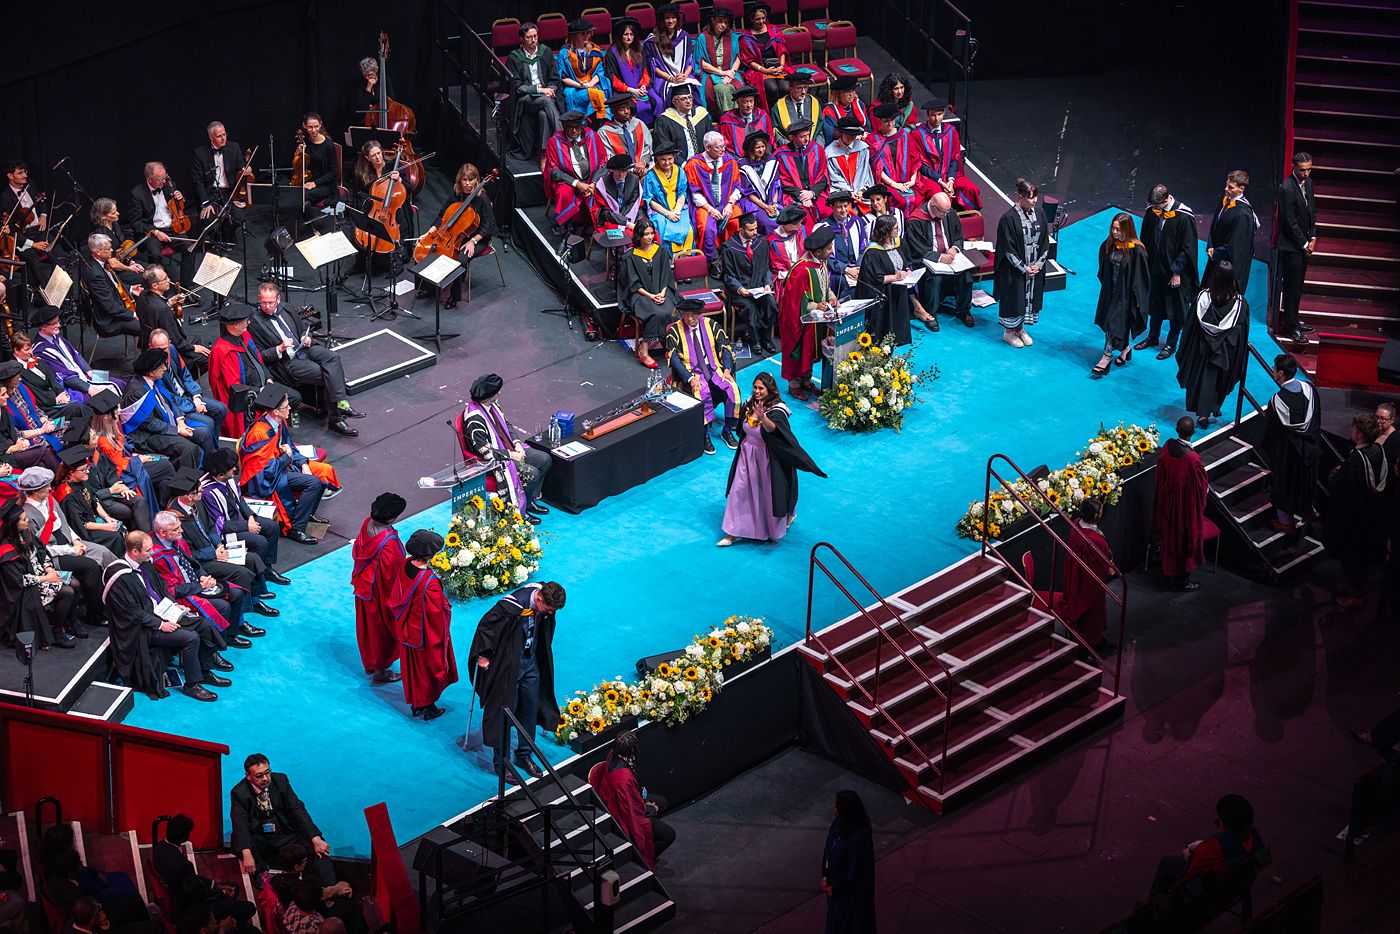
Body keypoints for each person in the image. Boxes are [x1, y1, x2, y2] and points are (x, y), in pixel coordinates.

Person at [102, 531, 219, 702]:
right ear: (135, 551)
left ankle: (204, 671)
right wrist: (159, 624)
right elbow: (131, 612)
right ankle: (192, 685)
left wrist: (173, 604)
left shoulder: (145, 563)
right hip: (141, 628)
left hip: (161, 612)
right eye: (148, 550)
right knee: (191, 637)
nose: (152, 553)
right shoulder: (119, 577)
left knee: (203, 624)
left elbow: (161, 588)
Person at [469, 581, 566, 782]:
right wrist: (484, 655)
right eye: (547, 609)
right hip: (508, 666)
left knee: (530, 709)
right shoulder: (511, 606)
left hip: (530, 663)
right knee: (503, 711)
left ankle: (524, 755)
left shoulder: (545, 601)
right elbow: (486, 627)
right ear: (539, 598)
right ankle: (501, 762)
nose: (548, 613)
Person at [720, 371, 826, 546]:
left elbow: (774, 430)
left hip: (767, 460)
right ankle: (733, 531)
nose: (757, 391)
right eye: (755, 387)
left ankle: (770, 529)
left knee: (766, 495)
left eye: (761, 388)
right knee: (738, 491)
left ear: (769, 390)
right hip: (746, 457)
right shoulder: (750, 403)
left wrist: (763, 418)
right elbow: (741, 425)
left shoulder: (777, 409)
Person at [248, 283, 363, 437]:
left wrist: (306, 337)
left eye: (271, 302)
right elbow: (260, 356)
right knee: (326, 374)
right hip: (288, 361)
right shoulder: (255, 322)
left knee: (333, 358)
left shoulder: (287, 308)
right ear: (259, 300)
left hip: (304, 348)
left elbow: (302, 328)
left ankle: (341, 402)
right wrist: (279, 349)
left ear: (278, 299)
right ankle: (336, 418)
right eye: (263, 302)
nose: (267, 306)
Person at [19, 465, 111, 636]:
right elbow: (41, 548)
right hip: (52, 554)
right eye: (46, 486)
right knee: (91, 566)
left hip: (70, 543)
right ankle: (93, 614)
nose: (49, 488)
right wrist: (70, 549)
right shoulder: (28, 514)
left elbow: (65, 524)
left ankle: (108, 602)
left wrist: (76, 541)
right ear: (35, 491)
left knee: (103, 552)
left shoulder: (50, 500)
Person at [237, 385, 333, 545]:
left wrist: (303, 464)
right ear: (275, 411)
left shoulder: (278, 422)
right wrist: (287, 457)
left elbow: (290, 446)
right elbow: (265, 470)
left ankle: (306, 513)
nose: (290, 408)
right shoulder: (259, 433)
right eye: (286, 406)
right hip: (265, 478)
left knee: (323, 472)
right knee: (313, 483)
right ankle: (296, 528)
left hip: (280, 467)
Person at [453, 373, 552, 522]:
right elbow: (485, 452)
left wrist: (517, 443)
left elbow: (507, 425)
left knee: (544, 459)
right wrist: (511, 455)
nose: (500, 392)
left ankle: (529, 500)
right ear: (489, 395)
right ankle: (519, 510)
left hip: (508, 448)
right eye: (497, 391)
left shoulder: (492, 405)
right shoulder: (474, 419)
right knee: (532, 473)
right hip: (493, 460)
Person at [229, 753, 335, 884]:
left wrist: (316, 839)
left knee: (317, 844)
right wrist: (247, 853)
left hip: (284, 833)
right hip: (260, 837)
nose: (265, 778)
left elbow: (297, 809)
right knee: (244, 845)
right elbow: (240, 823)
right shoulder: (239, 793)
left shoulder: (281, 781)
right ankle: (259, 872)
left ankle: (331, 886)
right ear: (248, 776)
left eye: (268, 773)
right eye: (259, 776)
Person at [208, 303, 303, 439]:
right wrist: (259, 391)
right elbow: (234, 387)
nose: (249, 322)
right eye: (245, 321)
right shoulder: (223, 351)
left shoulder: (245, 336)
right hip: (248, 397)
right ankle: (267, 434)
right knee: (287, 400)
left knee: (294, 396)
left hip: (264, 386)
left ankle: (274, 430)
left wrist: (268, 378)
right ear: (235, 325)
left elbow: (258, 360)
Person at [390, 529, 455, 720]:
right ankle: (427, 706)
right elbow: (436, 614)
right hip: (423, 633)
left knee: (411, 667)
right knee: (426, 669)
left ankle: (417, 703)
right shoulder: (430, 582)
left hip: (405, 627)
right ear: (431, 555)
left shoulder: (404, 564)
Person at [1175, 262, 1250, 429]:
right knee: (1217, 381)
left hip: (1202, 350)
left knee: (1202, 379)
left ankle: (1204, 413)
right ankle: (1211, 408)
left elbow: (1190, 328)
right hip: (1224, 353)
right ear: (1232, 280)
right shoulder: (1241, 304)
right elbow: (1241, 333)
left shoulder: (1202, 298)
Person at [86, 390, 173, 532]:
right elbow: (117, 468)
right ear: (107, 417)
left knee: (165, 467)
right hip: (123, 476)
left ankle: (163, 511)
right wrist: (138, 460)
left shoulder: (110, 431)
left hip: (127, 467)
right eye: (116, 410)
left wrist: (136, 459)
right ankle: (162, 512)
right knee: (165, 467)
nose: (119, 412)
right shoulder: (103, 442)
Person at [590, 729, 676, 871]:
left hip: (626, 799)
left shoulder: (613, 754)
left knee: (662, 801)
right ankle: (640, 858)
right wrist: (649, 808)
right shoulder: (624, 779)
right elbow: (632, 810)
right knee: (669, 834)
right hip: (623, 813)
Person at [1326, 413, 1388, 609]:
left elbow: (1341, 485)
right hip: (1370, 512)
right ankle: (1353, 585)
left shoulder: (1355, 460)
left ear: (1360, 434)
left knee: (1353, 555)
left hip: (1353, 517)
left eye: (1353, 429)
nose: (1350, 431)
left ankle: (1357, 595)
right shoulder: (1377, 450)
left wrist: (1336, 473)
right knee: (1358, 554)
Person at [1149, 794, 1264, 898]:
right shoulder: (1255, 838)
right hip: (1234, 885)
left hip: (1210, 893)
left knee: (1167, 862)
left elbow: (1188, 876)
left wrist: (1188, 855)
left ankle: (1151, 906)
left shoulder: (1214, 847)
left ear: (1223, 821)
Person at [153, 814, 257, 930]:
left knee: (234, 887)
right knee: (249, 908)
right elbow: (199, 895)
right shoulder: (183, 866)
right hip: (192, 908)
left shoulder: (160, 847)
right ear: (184, 838)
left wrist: (216, 886)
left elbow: (191, 879)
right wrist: (222, 892)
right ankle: (225, 928)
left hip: (182, 894)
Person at [200, 448, 286, 586]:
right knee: (260, 542)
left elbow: (239, 500)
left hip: (240, 519)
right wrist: (247, 526)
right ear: (221, 474)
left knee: (272, 526)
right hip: (227, 531)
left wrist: (250, 516)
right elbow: (220, 525)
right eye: (231, 468)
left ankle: (267, 569)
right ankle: (256, 581)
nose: (235, 468)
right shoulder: (208, 492)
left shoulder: (228, 479)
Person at [666, 298, 741, 454]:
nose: (690, 319)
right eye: (686, 315)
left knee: (732, 387)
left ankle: (727, 430)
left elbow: (725, 346)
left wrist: (727, 369)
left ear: (699, 314)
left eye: (693, 315)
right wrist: (689, 378)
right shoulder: (675, 330)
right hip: (691, 372)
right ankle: (704, 434)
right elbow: (674, 359)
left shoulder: (710, 325)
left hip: (713, 368)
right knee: (702, 392)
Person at [1133, 184, 1199, 360]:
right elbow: (1145, 237)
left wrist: (1177, 272)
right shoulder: (1152, 212)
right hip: (1155, 268)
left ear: (1166, 199)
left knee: (1176, 309)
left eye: (1157, 206)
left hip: (1175, 272)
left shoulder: (1183, 216)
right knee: (1155, 304)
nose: (1155, 209)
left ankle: (1171, 344)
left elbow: (1188, 248)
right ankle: (1152, 337)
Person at [417, 164, 496, 310]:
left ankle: (453, 297)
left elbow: (489, 226)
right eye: (464, 180)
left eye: (470, 180)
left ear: (476, 180)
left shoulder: (482, 199)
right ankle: (428, 288)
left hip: (477, 238)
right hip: (454, 235)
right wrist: (431, 231)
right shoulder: (456, 195)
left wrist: (473, 241)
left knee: (460, 260)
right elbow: (442, 216)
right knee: (428, 249)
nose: (467, 183)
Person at [1261, 353, 1320, 534]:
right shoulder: (1309, 389)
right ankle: (1308, 509)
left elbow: (1271, 433)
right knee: (1306, 482)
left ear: (1280, 373)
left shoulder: (1276, 402)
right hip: (1310, 449)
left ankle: (1286, 523)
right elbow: (1316, 419)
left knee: (1284, 487)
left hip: (1288, 455)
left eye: (1274, 369)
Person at [119, 348, 206, 471]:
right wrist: (176, 430)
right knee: (187, 448)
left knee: (202, 434)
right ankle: (182, 483)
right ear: (151, 372)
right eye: (161, 366)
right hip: (146, 436)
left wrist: (180, 421)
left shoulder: (155, 381)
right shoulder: (137, 392)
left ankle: (198, 473)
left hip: (164, 424)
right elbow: (149, 423)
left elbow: (170, 400)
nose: (165, 368)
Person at [779, 225, 838, 401]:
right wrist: (815, 306)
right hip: (799, 321)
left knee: (812, 350)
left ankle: (806, 380)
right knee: (800, 350)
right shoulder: (801, 270)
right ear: (818, 251)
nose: (831, 251)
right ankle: (795, 385)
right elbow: (795, 301)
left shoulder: (821, 262)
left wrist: (832, 297)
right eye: (828, 248)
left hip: (816, 320)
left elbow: (824, 286)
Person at [352, 492, 405, 684]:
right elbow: (395, 576)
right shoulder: (389, 544)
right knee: (382, 632)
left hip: (364, 588)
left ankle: (375, 665)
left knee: (369, 630)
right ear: (392, 518)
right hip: (380, 594)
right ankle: (380, 671)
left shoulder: (367, 523)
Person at [1152, 416, 1208, 592]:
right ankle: (1183, 581)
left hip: (1167, 501)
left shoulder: (1167, 446)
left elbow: (1160, 473)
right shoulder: (1192, 459)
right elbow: (1201, 487)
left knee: (1169, 536)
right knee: (1184, 540)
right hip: (1184, 508)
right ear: (1193, 432)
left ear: (1176, 430)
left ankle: (1166, 572)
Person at [1090, 212, 1150, 375]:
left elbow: (1142, 279)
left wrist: (1137, 300)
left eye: (1118, 229)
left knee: (1113, 324)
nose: (1115, 232)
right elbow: (1103, 267)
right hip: (1110, 293)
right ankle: (1125, 349)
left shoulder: (1137, 250)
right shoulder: (1109, 244)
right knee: (1110, 323)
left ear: (1127, 229)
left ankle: (1106, 356)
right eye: (1113, 228)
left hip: (1126, 297)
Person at [993, 178, 1050, 349]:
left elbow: (1045, 241)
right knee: (1014, 299)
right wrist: (1024, 268)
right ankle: (1009, 332)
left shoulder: (1039, 213)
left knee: (1028, 299)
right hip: (1015, 269)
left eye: (1035, 197)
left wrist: (1038, 265)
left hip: (1034, 266)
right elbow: (1007, 249)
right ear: (1020, 196)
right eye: (1030, 198)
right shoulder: (1008, 219)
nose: (1034, 201)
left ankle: (1020, 328)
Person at [616, 222, 682, 367]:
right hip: (640, 294)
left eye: (652, 233)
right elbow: (633, 283)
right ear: (639, 235)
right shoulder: (630, 256)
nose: (650, 237)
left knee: (670, 310)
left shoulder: (661, 251)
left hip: (662, 291)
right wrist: (651, 296)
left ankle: (671, 345)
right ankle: (644, 349)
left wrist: (662, 293)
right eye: (646, 234)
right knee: (654, 312)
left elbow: (667, 276)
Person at [904, 190, 971, 329]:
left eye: (947, 212)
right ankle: (931, 313)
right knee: (935, 278)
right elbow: (917, 249)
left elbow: (959, 236)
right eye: (943, 212)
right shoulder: (916, 220)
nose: (946, 215)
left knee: (966, 274)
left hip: (951, 258)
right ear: (933, 206)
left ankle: (964, 311)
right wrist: (940, 257)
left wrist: (954, 248)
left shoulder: (948, 212)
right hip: (928, 261)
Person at [0, 498, 61, 650]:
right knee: (68, 591)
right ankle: (52, 634)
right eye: (24, 520)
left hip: (41, 574)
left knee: (75, 585)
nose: (27, 522)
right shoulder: (6, 550)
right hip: (25, 585)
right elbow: (18, 581)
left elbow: (42, 552)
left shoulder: (26, 534)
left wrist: (48, 568)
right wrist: (45, 578)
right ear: (14, 524)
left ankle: (61, 628)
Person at [1063, 498, 1119, 657]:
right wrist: (1110, 570)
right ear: (1095, 515)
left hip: (1076, 576)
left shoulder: (1076, 525)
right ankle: (1091, 645)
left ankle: (1090, 641)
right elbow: (1103, 566)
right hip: (1089, 582)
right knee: (1093, 613)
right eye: (1100, 511)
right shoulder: (1094, 540)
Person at [33, 307, 124, 403]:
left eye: (58, 321)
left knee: (118, 382)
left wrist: (89, 371)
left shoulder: (55, 336)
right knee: (101, 397)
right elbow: (64, 376)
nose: (59, 325)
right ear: (43, 327)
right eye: (54, 323)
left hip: (83, 373)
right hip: (72, 385)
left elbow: (76, 354)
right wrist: (89, 388)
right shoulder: (41, 351)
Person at [148, 330, 225, 442]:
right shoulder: (150, 366)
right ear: (150, 347)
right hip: (175, 406)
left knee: (221, 409)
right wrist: (194, 406)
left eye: (165, 349)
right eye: (158, 349)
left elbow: (186, 375)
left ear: (169, 343)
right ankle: (208, 449)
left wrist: (196, 397)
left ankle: (213, 444)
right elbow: (167, 397)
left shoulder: (173, 350)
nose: (163, 353)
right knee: (208, 423)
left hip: (187, 396)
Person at [127, 162, 196, 287]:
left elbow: (178, 207)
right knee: (154, 255)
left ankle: (187, 286)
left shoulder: (170, 185)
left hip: (172, 228)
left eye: (165, 177)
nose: (164, 181)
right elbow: (135, 223)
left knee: (190, 248)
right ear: (149, 179)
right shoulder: (137, 194)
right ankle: (157, 287)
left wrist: (181, 199)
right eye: (160, 179)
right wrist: (155, 231)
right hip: (152, 232)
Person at [683, 131, 743, 269]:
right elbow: (694, 192)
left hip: (727, 203)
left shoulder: (730, 162)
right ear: (707, 148)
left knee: (735, 221)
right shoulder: (694, 164)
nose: (722, 150)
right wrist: (710, 209)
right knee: (705, 227)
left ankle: (732, 259)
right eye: (718, 148)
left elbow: (738, 187)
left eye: (723, 146)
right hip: (705, 205)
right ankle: (712, 261)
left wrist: (729, 204)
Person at [722, 212, 780, 353]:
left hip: (760, 288)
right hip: (741, 290)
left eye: (756, 228)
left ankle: (766, 338)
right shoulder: (729, 247)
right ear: (741, 230)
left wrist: (767, 284)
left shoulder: (761, 242)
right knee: (750, 308)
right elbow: (728, 275)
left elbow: (766, 267)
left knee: (771, 303)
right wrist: (740, 289)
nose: (755, 232)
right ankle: (754, 341)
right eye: (751, 230)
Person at [1276, 152, 1318, 345]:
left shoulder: (1308, 183)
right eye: (1302, 170)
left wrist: (1313, 237)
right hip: (1292, 246)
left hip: (1304, 244)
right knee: (1291, 287)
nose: (1306, 173)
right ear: (1293, 167)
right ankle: (1290, 326)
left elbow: (1312, 213)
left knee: (1298, 285)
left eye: (1309, 169)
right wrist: (1304, 243)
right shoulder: (1286, 188)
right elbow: (1289, 222)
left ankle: (1294, 319)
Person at [821, 790, 876, 934]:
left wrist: (836, 889)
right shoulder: (837, 824)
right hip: (834, 889)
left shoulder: (859, 836)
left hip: (848, 896)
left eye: (837, 805)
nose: (833, 806)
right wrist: (824, 875)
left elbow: (856, 872)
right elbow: (829, 850)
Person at [506, 22, 562, 161]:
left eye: (535, 36)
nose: (533, 40)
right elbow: (517, 86)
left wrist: (551, 90)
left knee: (544, 114)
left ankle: (544, 154)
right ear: (522, 39)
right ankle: (562, 140)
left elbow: (554, 79)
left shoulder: (546, 52)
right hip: (526, 99)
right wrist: (540, 90)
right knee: (546, 101)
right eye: (529, 37)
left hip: (546, 96)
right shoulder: (514, 57)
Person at [57, 444, 127, 555]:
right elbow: (80, 523)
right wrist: (105, 526)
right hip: (83, 531)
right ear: (71, 472)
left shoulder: (82, 480)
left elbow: (95, 499)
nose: (88, 471)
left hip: (93, 519)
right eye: (83, 469)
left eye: (88, 467)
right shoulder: (67, 494)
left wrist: (107, 517)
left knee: (120, 528)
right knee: (115, 536)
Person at [857, 215, 915, 345]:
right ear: (886, 231)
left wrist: (907, 270)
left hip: (898, 290)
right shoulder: (872, 252)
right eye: (895, 228)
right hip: (883, 295)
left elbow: (906, 261)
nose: (898, 230)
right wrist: (895, 277)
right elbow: (872, 279)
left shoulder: (899, 242)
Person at [543, 111, 607, 230]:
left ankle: (596, 223)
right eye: (570, 127)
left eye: (577, 127)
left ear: (582, 125)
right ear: (564, 127)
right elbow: (554, 170)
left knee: (606, 190)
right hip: (569, 181)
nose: (573, 131)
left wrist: (593, 183)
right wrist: (577, 184)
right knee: (563, 193)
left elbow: (603, 163)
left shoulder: (592, 137)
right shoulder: (555, 142)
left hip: (592, 179)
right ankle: (568, 226)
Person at [914, 97, 980, 211]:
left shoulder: (951, 132)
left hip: (949, 174)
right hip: (929, 177)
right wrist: (940, 180)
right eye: (933, 115)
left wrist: (950, 180)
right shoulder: (918, 134)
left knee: (970, 189)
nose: (936, 118)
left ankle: (967, 218)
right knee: (940, 197)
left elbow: (955, 159)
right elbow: (920, 165)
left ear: (944, 113)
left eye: (939, 114)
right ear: (927, 115)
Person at [1203, 169, 1259, 295]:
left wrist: (1216, 254)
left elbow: (1235, 244)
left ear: (1241, 189)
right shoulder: (1225, 201)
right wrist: (1210, 245)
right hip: (1216, 259)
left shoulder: (1243, 214)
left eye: (1230, 187)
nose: (1226, 189)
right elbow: (1214, 225)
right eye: (1226, 185)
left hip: (1228, 266)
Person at [78, 233, 142, 339]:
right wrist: (133, 315)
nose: (112, 250)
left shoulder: (98, 261)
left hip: (115, 307)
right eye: (108, 249)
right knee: (148, 327)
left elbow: (110, 284)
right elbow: (110, 307)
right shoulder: (95, 275)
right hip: (109, 321)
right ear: (98, 252)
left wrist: (130, 289)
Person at [136, 266, 206, 362]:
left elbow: (154, 312)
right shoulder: (163, 310)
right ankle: (183, 374)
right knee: (207, 359)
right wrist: (193, 348)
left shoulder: (143, 295)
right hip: (166, 350)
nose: (169, 280)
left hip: (148, 341)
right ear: (155, 285)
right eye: (165, 279)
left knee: (196, 339)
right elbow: (176, 341)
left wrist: (169, 302)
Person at [605, 18, 660, 126]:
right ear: (620, 35)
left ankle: (655, 129)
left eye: (632, 34)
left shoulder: (638, 49)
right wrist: (631, 90)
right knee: (634, 106)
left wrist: (643, 85)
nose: (629, 37)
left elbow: (645, 71)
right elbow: (612, 78)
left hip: (641, 87)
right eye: (626, 34)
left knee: (658, 102)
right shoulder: (612, 54)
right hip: (623, 90)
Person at [642, 145, 695, 254]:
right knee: (662, 228)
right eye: (663, 160)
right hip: (659, 211)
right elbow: (650, 200)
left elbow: (682, 193)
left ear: (674, 157)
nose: (667, 162)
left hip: (678, 209)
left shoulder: (680, 172)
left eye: (670, 159)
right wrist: (667, 214)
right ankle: (668, 260)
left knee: (689, 230)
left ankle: (686, 260)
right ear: (657, 159)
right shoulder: (650, 176)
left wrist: (676, 211)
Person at [775, 119, 830, 225]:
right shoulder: (781, 154)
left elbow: (823, 175)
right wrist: (802, 195)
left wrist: (812, 193)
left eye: (808, 135)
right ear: (792, 137)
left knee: (828, 212)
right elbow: (782, 181)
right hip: (793, 195)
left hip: (816, 193)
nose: (807, 139)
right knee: (803, 217)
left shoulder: (817, 149)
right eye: (802, 136)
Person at [868, 105, 921, 213]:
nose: (890, 123)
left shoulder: (905, 135)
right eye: (886, 121)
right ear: (880, 121)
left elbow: (915, 159)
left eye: (892, 120)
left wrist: (912, 180)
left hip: (908, 180)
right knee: (900, 200)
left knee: (919, 198)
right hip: (887, 182)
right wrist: (894, 184)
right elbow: (876, 169)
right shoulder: (873, 139)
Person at [642, 3, 698, 105]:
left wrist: (684, 76)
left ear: (677, 19)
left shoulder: (685, 37)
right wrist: (671, 78)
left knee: (691, 91)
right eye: (667, 18)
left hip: (683, 75)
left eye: (673, 17)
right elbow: (653, 67)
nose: (670, 21)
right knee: (670, 93)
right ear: (662, 20)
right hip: (663, 78)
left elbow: (690, 62)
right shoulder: (653, 41)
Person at [590, 153, 644, 258]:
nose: (620, 174)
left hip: (629, 215)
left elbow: (634, 204)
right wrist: (625, 223)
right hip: (609, 219)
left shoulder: (634, 180)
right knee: (626, 235)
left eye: (624, 171)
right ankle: (621, 260)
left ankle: (644, 259)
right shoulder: (603, 184)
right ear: (611, 170)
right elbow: (605, 211)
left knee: (647, 231)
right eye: (617, 171)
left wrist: (629, 221)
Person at [694, 8, 746, 114]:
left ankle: (740, 117)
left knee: (739, 88)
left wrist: (731, 73)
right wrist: (722, 73)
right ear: (713, 20)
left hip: (730, 72)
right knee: (723, 90)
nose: (723, 25)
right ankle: (729, 118)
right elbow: (701, 62)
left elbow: (738, 58)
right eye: (720, 21)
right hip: (710, 74)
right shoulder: (703, 38)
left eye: (726, 22)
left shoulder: (733, 37)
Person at [555, 19, 608, 121]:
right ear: (574, 35)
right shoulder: (565, 53)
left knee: (600, 92)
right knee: (597, 94)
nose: (587, 35)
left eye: (588, 33)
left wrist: (591, 84)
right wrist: (580, 85)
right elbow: (563, 77)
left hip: (592, 85)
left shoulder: (594, 50)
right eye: (583, 33)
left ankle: (599, 126)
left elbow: (600, 72)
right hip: (574, 88)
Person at [652, 85, 712, 166]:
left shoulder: (701, 114)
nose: (688, 101)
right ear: (674, 102)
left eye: (690, 97)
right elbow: (664, 147)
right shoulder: (664, 120)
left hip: (704, 162)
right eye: (683, 99)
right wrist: (684, 165)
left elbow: (710, 139)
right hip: (679, 166)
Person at [825, 117, 875, 214]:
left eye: (854, 134)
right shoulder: (830, 152)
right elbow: (834, 177)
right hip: (840, 192)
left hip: (861, 192)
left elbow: (865, 173)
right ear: (841, 132)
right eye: (848, 134)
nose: (851, 137)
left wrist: (861, 191)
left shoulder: (862, 148)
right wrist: (849, 193)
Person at [820, 192, 864, 302]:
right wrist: (847, 269)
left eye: (845, 206)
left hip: (857, 268)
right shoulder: (824, 227)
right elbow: (827, 257)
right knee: (844, 283)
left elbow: (863, 248)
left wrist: (858, 268)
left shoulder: (857, 222)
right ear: (832, 207)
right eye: (839, 207)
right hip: (837, 272)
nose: (843, 210)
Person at [596, 94, 653, 178]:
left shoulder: (638, 124)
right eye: (621, 109)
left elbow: (648, 147)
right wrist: (633, 169)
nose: (626, 112)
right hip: (621, 174)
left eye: (628, 108)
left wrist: (643, 162)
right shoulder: (604, 132)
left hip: (644, 168)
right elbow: (610, 157)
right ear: (613, 111)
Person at [738, 131, 783, 235]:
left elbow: (776, 185)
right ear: (751, 148)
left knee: (783, 219)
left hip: (772, 201)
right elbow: (749, 194)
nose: (761, 150)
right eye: (758, 147)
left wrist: (774, 204)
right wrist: (766, 207)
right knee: (767, 223)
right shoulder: (743, 165)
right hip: (755, 203)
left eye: (763, 146)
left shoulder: (771, 160)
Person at [718, 85, 773, 158]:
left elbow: (770, 139)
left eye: (751, 101)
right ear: (738, 102)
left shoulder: (763, 116)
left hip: (762, 157)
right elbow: (727, 146)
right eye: (745, 102)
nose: (749, 105)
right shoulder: (727, 121)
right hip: (738, 160)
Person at [770, 72, 819, 147]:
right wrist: (792, 147)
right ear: (790, 87)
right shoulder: (779, 107)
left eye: (805, 87)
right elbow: (777, 133)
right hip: (789, 150)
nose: (803, 92)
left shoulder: (814, 103)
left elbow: (819, 130)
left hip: (813, 148)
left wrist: (817, 148)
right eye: (799, 88)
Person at [817, 76, 868, 146]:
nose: (851, 95)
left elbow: (867, 125)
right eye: (847, 91)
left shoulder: (860, 105)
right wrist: (854, 135)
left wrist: (864, 133)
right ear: (838, 94)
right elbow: (832, 133)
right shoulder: (829, 110)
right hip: (840, 146)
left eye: (853, 90)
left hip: (860, 142)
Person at [767, 204, 808, 284]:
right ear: (785, 224)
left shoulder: (802, 230)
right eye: (796, 223)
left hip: (804, 273)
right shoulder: (773, 241)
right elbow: (776, 266)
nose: (799, 225)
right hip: (786, 279)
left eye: (800, 222)